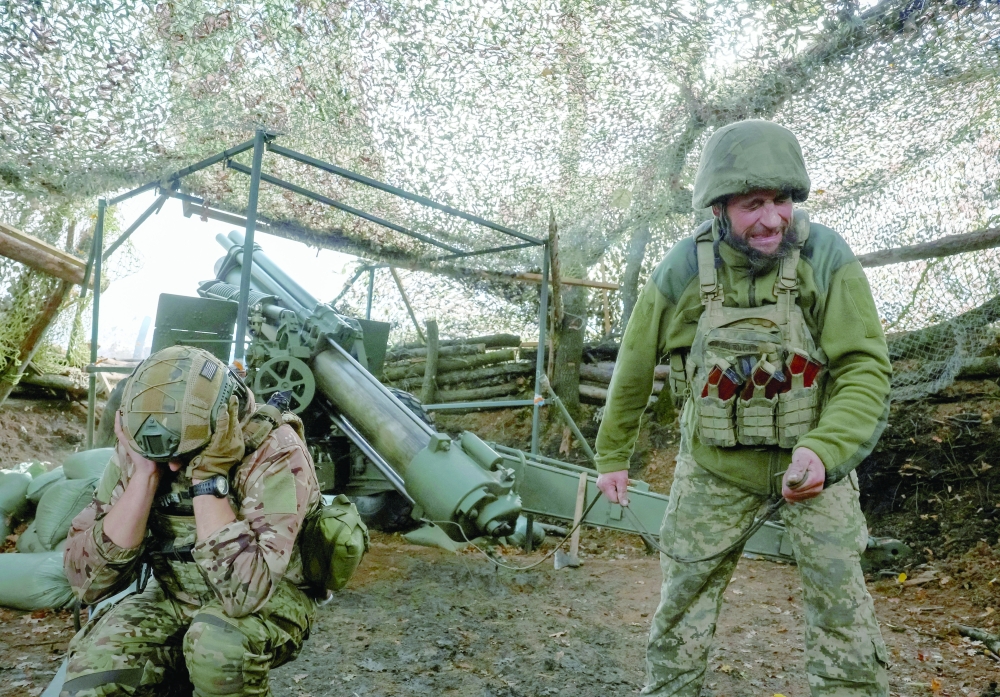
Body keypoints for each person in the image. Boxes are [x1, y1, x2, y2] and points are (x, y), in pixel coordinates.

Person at [595, 119, 892, 697]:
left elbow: (864, 368)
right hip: (712, 468)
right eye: (755, 203)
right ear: (720, 207)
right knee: (682, 603)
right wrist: (613, 454)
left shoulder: (825, 255)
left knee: (842, 612)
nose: (773, 219)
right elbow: (632, 367)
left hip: (813, 469)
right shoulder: (682, 267)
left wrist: (825, 450)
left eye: (782, 200)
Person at [62, 344, 322, 696]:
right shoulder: (144, 448)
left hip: (271, 598)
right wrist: (143, 477)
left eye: (182, 456)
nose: (172, 467)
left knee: (217, 647)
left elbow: (245, 596)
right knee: (94, 673)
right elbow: (86, 581)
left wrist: (209, 478)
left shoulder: (276, 449)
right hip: (173, 594)